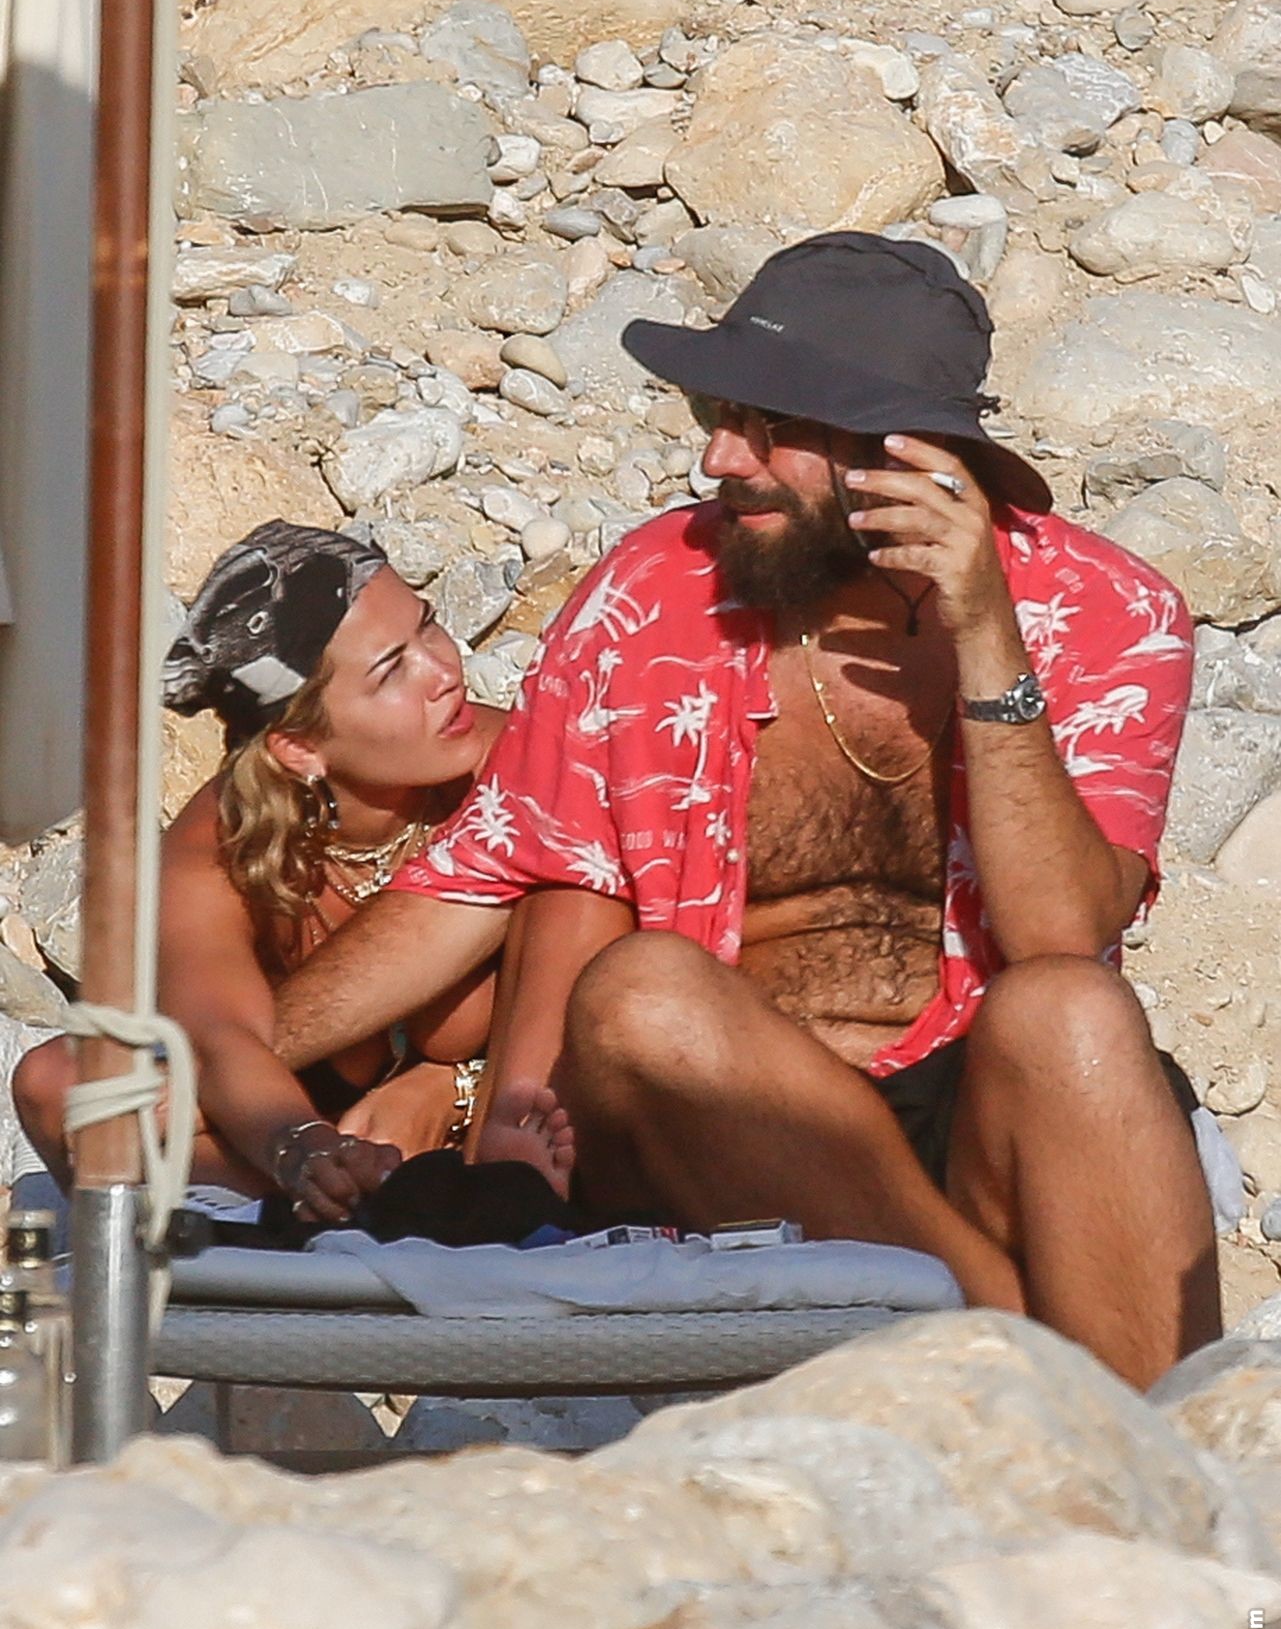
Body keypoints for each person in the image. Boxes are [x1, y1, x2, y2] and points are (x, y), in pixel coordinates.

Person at [261, 234, 1221, 1386]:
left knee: (1074, 1010)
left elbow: (1061, 932)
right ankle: (1009, 1343)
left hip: (981, 1117)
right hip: (726, 1123)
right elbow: (479, 876)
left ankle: (1168, 1462)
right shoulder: (655, 590)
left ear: (903, 451)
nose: (719, 456)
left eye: (766, 426)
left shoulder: (1108, 610)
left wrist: (986, 638)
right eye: (720, 414)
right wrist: (210, 1054)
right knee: (644, 993)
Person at [12, 520, 572, 1227]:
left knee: (569, 886)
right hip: (311, 1113)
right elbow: (219, 1034)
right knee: (59, 1086)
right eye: (391, 670)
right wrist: (304, 1149)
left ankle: (446, 1181)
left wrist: (452, 1086)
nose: (445, 671)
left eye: (428, 625)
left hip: (517, 1112)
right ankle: (366, 1192)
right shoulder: (218, 845)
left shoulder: (515, 766)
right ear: (300, 748)